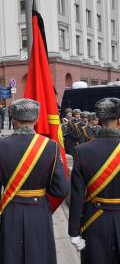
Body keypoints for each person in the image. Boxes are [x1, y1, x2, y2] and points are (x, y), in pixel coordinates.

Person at [0, 99, 70, 264]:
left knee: (12, 257)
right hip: (39, 210)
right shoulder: (51, 146)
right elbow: (61, 189)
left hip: (11, 210)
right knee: (39, 256)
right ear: (37, 120)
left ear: (13, 120)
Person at [68, 97, 120, 264]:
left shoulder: (82, 151)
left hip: (94, 220)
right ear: (119, 120)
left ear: (98, 120)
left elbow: (76, 195)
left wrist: (74, 231)